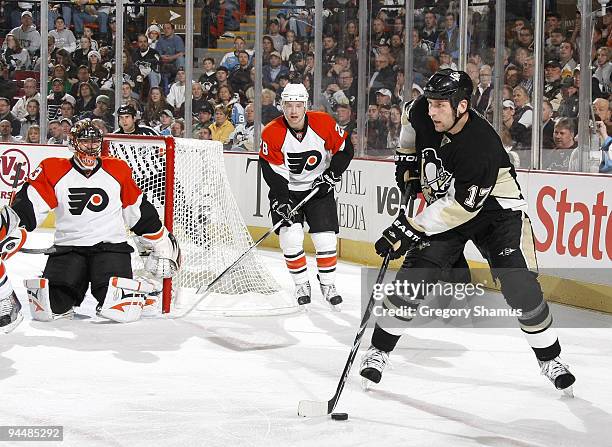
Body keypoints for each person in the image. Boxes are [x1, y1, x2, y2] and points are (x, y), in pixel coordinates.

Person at [359, 69, 575, 395]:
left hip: (495, 213)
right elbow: (408, 123)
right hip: (449, 203)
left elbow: (463, 207)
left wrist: (408, 228)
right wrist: (405, 163)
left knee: (519, 285)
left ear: (462, 106)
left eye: (440, 106)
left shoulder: (481, 146)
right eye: (430, 103)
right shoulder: (422, 111)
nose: (432, 111)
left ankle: (551, 359)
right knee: (414, 278)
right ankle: (379, 350)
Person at [6, 119, 180, 322]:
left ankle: (146, 293)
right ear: (73, 142)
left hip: (110, 248)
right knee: (51, 309)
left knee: (118, 307)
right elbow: (31, 204)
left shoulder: (117, 169)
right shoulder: (54, 169)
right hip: (69, 248)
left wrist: (159, 239)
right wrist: (11, 227)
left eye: (95, 142)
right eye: (85, 141)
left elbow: (136, 209)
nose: (90, 147)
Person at [258, 83, 354, 307]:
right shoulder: (272, 131)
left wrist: (331, 175)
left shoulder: (323, 122)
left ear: (306, 106)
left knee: (325, 239)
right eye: (289, 105)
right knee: (290, 238)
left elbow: (345, 148)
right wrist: (281, 200)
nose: (293, 111)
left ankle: (328, 283)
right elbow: (271, 169)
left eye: (298, 105)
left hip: (318, 188)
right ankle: (301, 283)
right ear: (281, 105)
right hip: (287, 191)